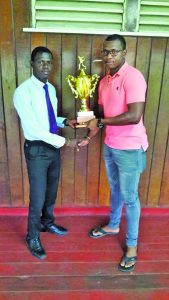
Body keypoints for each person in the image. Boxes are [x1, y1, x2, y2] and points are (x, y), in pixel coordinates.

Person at [78, 34, 148, 272]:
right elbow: (98, 118)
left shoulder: (133, 77)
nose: (108, 56)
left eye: (114, 52)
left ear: (124, 53)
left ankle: (131, 246)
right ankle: (113, 225)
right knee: (116, 190)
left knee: (130, 197)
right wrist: (88, 135)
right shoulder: (105, 81)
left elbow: (134, 115)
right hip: (111, 145)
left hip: (130, 149)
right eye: (105, 52)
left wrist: (100, 120)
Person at [13, 46, 77, 260]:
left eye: (49, 62)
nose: (46, 66)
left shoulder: (50, 89)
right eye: (41, 61)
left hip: (52, 147)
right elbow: (33, 129)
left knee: (51, 191)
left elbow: (49, 120)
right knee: (38, 196)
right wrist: (66, 141)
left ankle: (47, 223)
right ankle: (32, 236)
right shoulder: (23, 91)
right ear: (32, 63)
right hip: (37, 150)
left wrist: (65, 121)